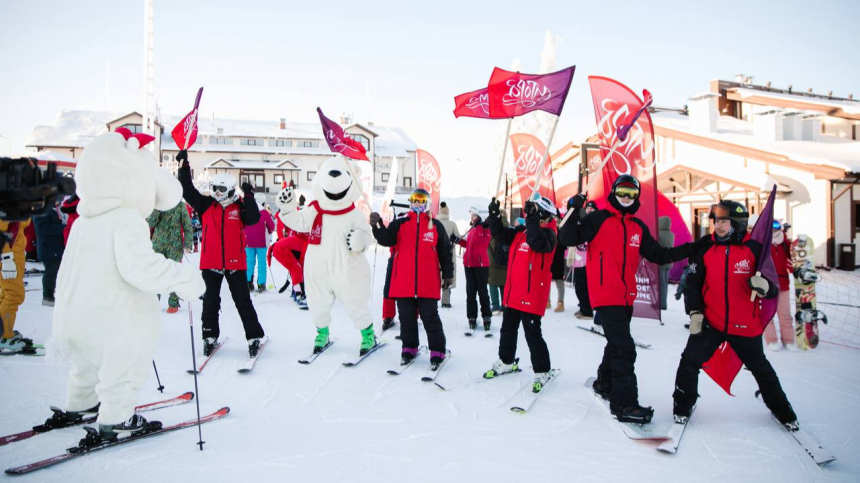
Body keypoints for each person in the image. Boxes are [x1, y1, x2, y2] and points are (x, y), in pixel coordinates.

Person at [49, 129, 205, 441]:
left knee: (84, 368)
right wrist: (183, 277)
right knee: (124, 365)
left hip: (79, 318)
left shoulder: (82, 222)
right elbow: (141, 269)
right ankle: (117, 417)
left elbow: (66, 272)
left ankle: (80, 403)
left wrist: (61, 315)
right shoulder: (126, 219)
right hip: (115, 320)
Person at [560, 175, 701, 423]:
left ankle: (604, 384)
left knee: (616, 344)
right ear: (614, 193)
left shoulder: (637, 226)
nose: (626, 198)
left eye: (631, 194)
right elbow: (568, 237)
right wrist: (573, 209)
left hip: (626, 297)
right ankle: (624, 405)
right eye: (622, 192)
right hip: (606, 295)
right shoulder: (598, 219)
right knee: (625, 350)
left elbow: (658, 254)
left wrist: (690, 249)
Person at [672, 200, 798, 430]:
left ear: (737, 223)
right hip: (712, 322)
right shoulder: (706, 248)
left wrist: (765, 287)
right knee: (689, 362)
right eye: (716, 221)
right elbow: (693, 284)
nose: (718, 226)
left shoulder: (755, 249)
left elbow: (772, 287)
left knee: (762, 370)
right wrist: (695, 312)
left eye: (724, 222)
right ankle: (682, 407)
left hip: (745, 326)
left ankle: (784, 413)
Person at [276, 158, 376, 356]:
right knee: (317, 301)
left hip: (347, 267)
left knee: (355, 301)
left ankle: (368, 334)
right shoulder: (314, 209)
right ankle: (322, 333)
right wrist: (287, 209)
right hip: (318, 267)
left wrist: (360, 240)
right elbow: (300, 221)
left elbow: (367, 237)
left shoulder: (354, 214)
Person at [177, 150, 266, 358]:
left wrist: (249, 196)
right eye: (214, 188)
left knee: (243, 302)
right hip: (211, 263)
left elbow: (253, 218)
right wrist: (184, 167)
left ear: (230, 189)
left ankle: (254, 336)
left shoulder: (239, 206)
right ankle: (209, 336)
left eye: (221, 189)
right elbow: (187, 190)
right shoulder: (206, 205)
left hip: (235, 264)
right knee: (210, 302)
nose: (217, 193)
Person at [370, 188, 453, 367]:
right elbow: (386, 239)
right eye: (414, 199)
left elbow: (445, 252)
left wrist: (448, 274)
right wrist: (377, 226)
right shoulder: (400, 223)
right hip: (404, 282)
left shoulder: (435, 225)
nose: (417, 203)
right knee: (406, 317)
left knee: (430, 317)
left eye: (421, 200)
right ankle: (409, 349)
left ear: (427, 203)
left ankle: (438, 351)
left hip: (427, 282)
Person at [484, 196, 558, 393]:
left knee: (532, 333)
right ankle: (506, 360)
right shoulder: (522, 231)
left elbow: (536, 242)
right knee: (508, 329)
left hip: (532, 293)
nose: (532, 214)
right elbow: (500, 234)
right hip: (514, 292)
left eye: (535, 211)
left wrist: (532, 219)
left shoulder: (549, 234)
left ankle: (542, 369)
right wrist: (494, 216)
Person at [147, 201, 194, 314]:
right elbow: (150, 223)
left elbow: (187, 224)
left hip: (175, 245)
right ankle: (153, 302)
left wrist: (188, 243)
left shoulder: (180, 205)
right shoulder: (157, 205)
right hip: (158, 244)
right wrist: (157, 210)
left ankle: (173, 303)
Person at [452, 207, 492, 332]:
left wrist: (482, 225)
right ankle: (472, 317)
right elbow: (469, 245)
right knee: (470, 292)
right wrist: (458, 241)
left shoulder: (484, 229)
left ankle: (486, 316)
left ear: (480, 217)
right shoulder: (473, 229)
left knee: (482, 292)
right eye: (472, 215)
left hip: (480, 265)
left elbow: (485, 241)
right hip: (469, 265)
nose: (472, 217)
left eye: (475, 216)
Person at [763, 220, 797, 352]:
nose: (773, 230)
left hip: (783, 284)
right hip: (768, 284)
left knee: (785, 314)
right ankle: (771, 340)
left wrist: (795, 268)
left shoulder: (785, 243)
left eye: (776, 226)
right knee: (768, 314)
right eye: (770, 227)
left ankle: (788, 341)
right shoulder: (763, 243)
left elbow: (792, 259)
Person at [0, 218, 31, 351]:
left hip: (16, 251)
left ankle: (4, 329)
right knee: (14, 295)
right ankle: (4, 336)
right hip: (8, 253)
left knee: (7, 293)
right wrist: (6, 258)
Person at [32, 202, 66, 306]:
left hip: (57, 247)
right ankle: (48, 297)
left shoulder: (57, 208)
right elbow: (43, 228)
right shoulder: (41, 209)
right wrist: (64, 227)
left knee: (59, 272)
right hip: (48, 248)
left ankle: (58, 295)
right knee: (51, 272)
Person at [569, 200, 597, 321]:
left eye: (592, 208)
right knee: (579, 287)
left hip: (588, 262)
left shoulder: (596, 223)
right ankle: (582, 307)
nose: (589, 210)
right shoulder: (583, 221)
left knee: (585, 287)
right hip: (578, 261)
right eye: (588, 208)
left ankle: (587, 311)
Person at [245, 201, 275, 293]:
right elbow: (271, 226)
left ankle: (248, 282)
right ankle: (261, 283)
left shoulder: (246, 211)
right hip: (261, 241)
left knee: (249, 262)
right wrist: (268, 232)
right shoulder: (264, 213)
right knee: (261, 263)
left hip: (248, 241)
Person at [436, 201, 460, 308]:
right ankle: (445, 301)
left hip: (435, 252)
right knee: (447, 273)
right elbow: (458, 238)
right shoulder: (452, 224)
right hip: (448, 252)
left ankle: (433, 298)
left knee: (436, 274)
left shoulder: (434, 222)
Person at [487, 209, 509, 315]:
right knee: (504, 283)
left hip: (493, 261)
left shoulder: (493, 229)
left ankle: (495, 306)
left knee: (493, 283)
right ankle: (504, 306)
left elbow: (490, 243)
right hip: (506, 261)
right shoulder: (509, 228)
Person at [549, 214, 568, 313]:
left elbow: (564, 245)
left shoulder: (561, 231)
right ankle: (546, 301)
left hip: (558, 258)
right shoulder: (549, 229)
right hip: (549, 257)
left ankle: (560, 303)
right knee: (546, 280)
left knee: (559, 281)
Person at [658, 216, 675, 311]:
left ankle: (662, 304)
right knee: (665, 283)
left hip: (661, 262)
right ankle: (664, 302)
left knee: (661, 284)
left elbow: (658, 248)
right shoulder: (671, 234)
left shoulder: (658, 234)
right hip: (669, 261)